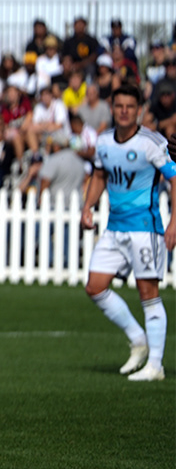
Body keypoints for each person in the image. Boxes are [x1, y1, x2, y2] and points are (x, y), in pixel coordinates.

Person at [81, 84, 172, 383]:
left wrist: (174, 223)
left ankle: (155, 366)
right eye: (119, 106)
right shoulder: (104, 141)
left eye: (130, 107)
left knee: (148, 293)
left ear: (139, 110)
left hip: (145, 229)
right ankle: (138, 338)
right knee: (95, 287)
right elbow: (99, 175)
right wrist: (87, 206)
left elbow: (174, 178)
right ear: (112, 107)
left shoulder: (152, 142)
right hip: (114, 229)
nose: (124, 111)